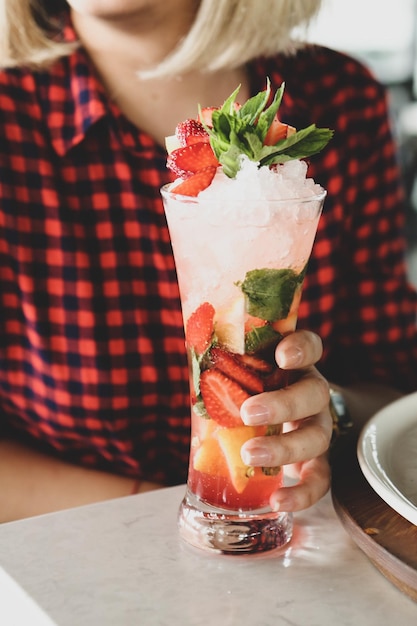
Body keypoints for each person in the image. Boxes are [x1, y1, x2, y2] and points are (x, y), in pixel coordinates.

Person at [0, 0, 416, 523]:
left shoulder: (342, 96)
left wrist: (327, 413)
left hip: (296, 546)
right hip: (64, 563)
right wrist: (185, 515)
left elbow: (394, 390)